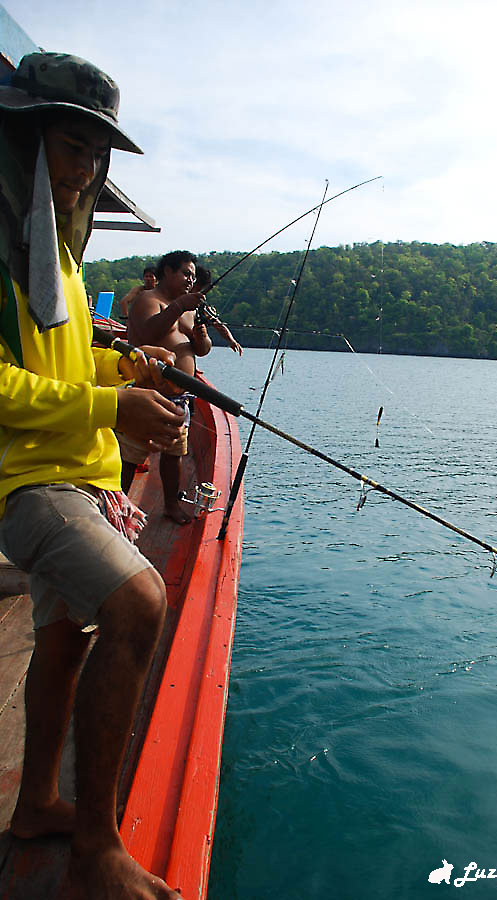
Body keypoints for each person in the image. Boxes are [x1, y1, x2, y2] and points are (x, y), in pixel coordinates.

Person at [0, 52, 186, 900]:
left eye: (94, 155)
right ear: (24, 140)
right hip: (27, 484)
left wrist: (125, 376)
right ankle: (95, 851)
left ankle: (38, 801)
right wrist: (111, 412)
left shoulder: (61, 257)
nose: (83, 171)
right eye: (70, 148)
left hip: (77, 472)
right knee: (138, 602)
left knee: (64, 639)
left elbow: (67, 372)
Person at [124, 253, 242, 523]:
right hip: (148, 392)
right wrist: (178, 306)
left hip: (180, 398)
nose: (191, 280)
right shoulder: (147, 300)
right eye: (186, 274)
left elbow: (202, 350)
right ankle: (118, 506)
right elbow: (148, 333)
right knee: (131, 454)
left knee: (174, 453)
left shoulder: (188, 309)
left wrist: (201, 337)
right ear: (167, 271)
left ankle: (171, 506)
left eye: (192, 275)